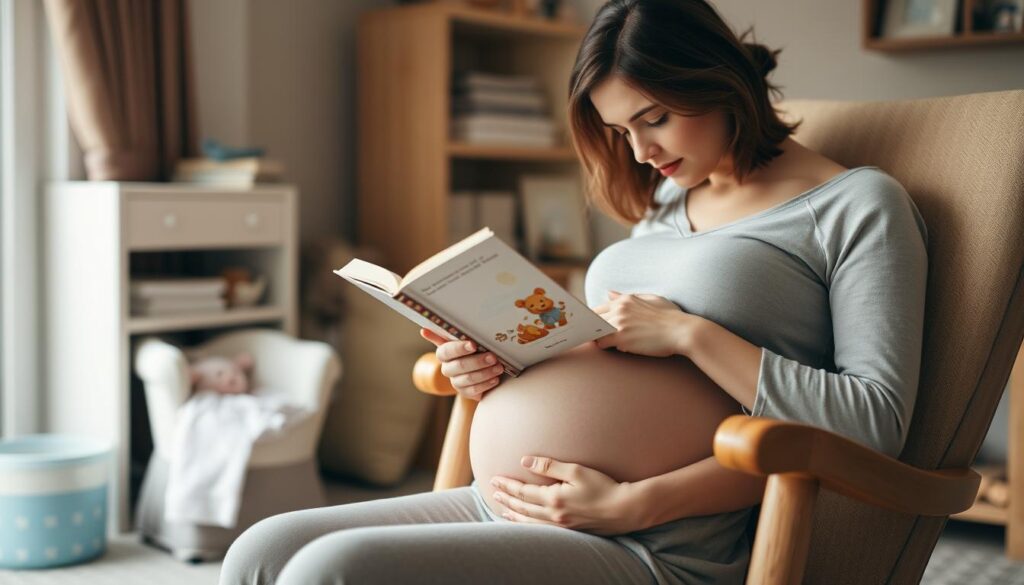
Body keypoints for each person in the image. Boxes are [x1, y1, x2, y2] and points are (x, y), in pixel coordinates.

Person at [218, 0, 928, 583]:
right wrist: (492, 367)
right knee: (258, 552)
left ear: (716, 79)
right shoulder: (667, 201)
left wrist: (689, 340)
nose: (643, 153)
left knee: (332, 571)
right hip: (505, 500)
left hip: (654, 538)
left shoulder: (858, 205)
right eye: (622, 131)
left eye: (654, 118)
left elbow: (876, 423)